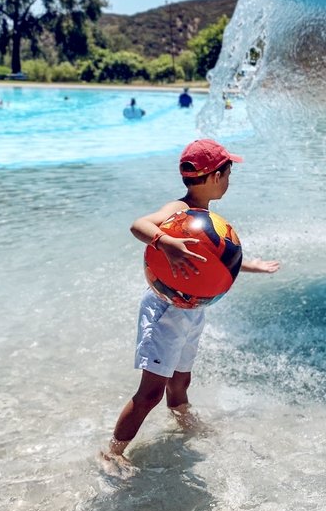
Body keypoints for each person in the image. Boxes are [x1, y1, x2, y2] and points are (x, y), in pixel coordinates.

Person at [100, 138, 280, 475]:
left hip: (192, 310)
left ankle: (182, 416)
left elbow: (212, 261)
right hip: (166, 310)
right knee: (150, 392)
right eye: (228, 174)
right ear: (215, 176)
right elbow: (139, 225)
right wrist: (165, 242)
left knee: (182, 378)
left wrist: (250, 265)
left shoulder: (205, 218)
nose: (229, 181)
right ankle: (112, 452)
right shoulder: (178, 209)